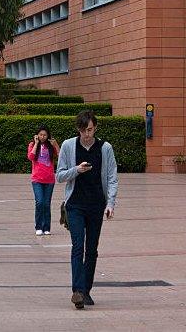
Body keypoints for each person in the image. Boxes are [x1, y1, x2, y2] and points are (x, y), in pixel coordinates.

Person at [56, 111, 118, 310]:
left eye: (90, 130)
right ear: (78, 130)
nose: (86, 134)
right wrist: (77, 170)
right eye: (83, 130)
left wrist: (110, 204)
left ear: (96, 128)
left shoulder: (105, 148)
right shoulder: (68, 145)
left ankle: (86, 290)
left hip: (96, 205)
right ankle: (77, 291)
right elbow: (60, 176)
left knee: (91, 249)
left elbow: (112, 178)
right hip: (75, 205)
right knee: (77, 247)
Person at [28, 125, 59, 235]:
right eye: (40, 135)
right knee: (39, 202)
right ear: (37, 135)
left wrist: (55, 145)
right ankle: (38, 226)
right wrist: (36, 143)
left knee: (46, 204)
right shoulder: (32, 144)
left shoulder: (50, 146)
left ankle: (47, 227)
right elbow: (31, 157)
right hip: (37, 179)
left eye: (45, 135)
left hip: (49, 180)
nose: (42, 137)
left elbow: (60, 155)